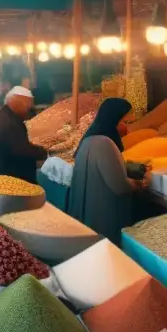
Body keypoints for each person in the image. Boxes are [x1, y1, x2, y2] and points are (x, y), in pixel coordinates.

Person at [67, 98, 140, 245]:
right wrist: (138, 184)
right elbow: (120, 186)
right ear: (113, 120)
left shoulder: (88, 140)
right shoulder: (105, 143)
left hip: (88, 214)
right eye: (125, 122)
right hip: (103, 217)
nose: (127, 128)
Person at [0, 86, 47, 183]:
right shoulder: (8, 123)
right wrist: (46, 153)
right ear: (17, 102)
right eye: (28, 105)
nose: (29, 109)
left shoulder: (3, 117)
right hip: (2, 184)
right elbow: (22, 150)